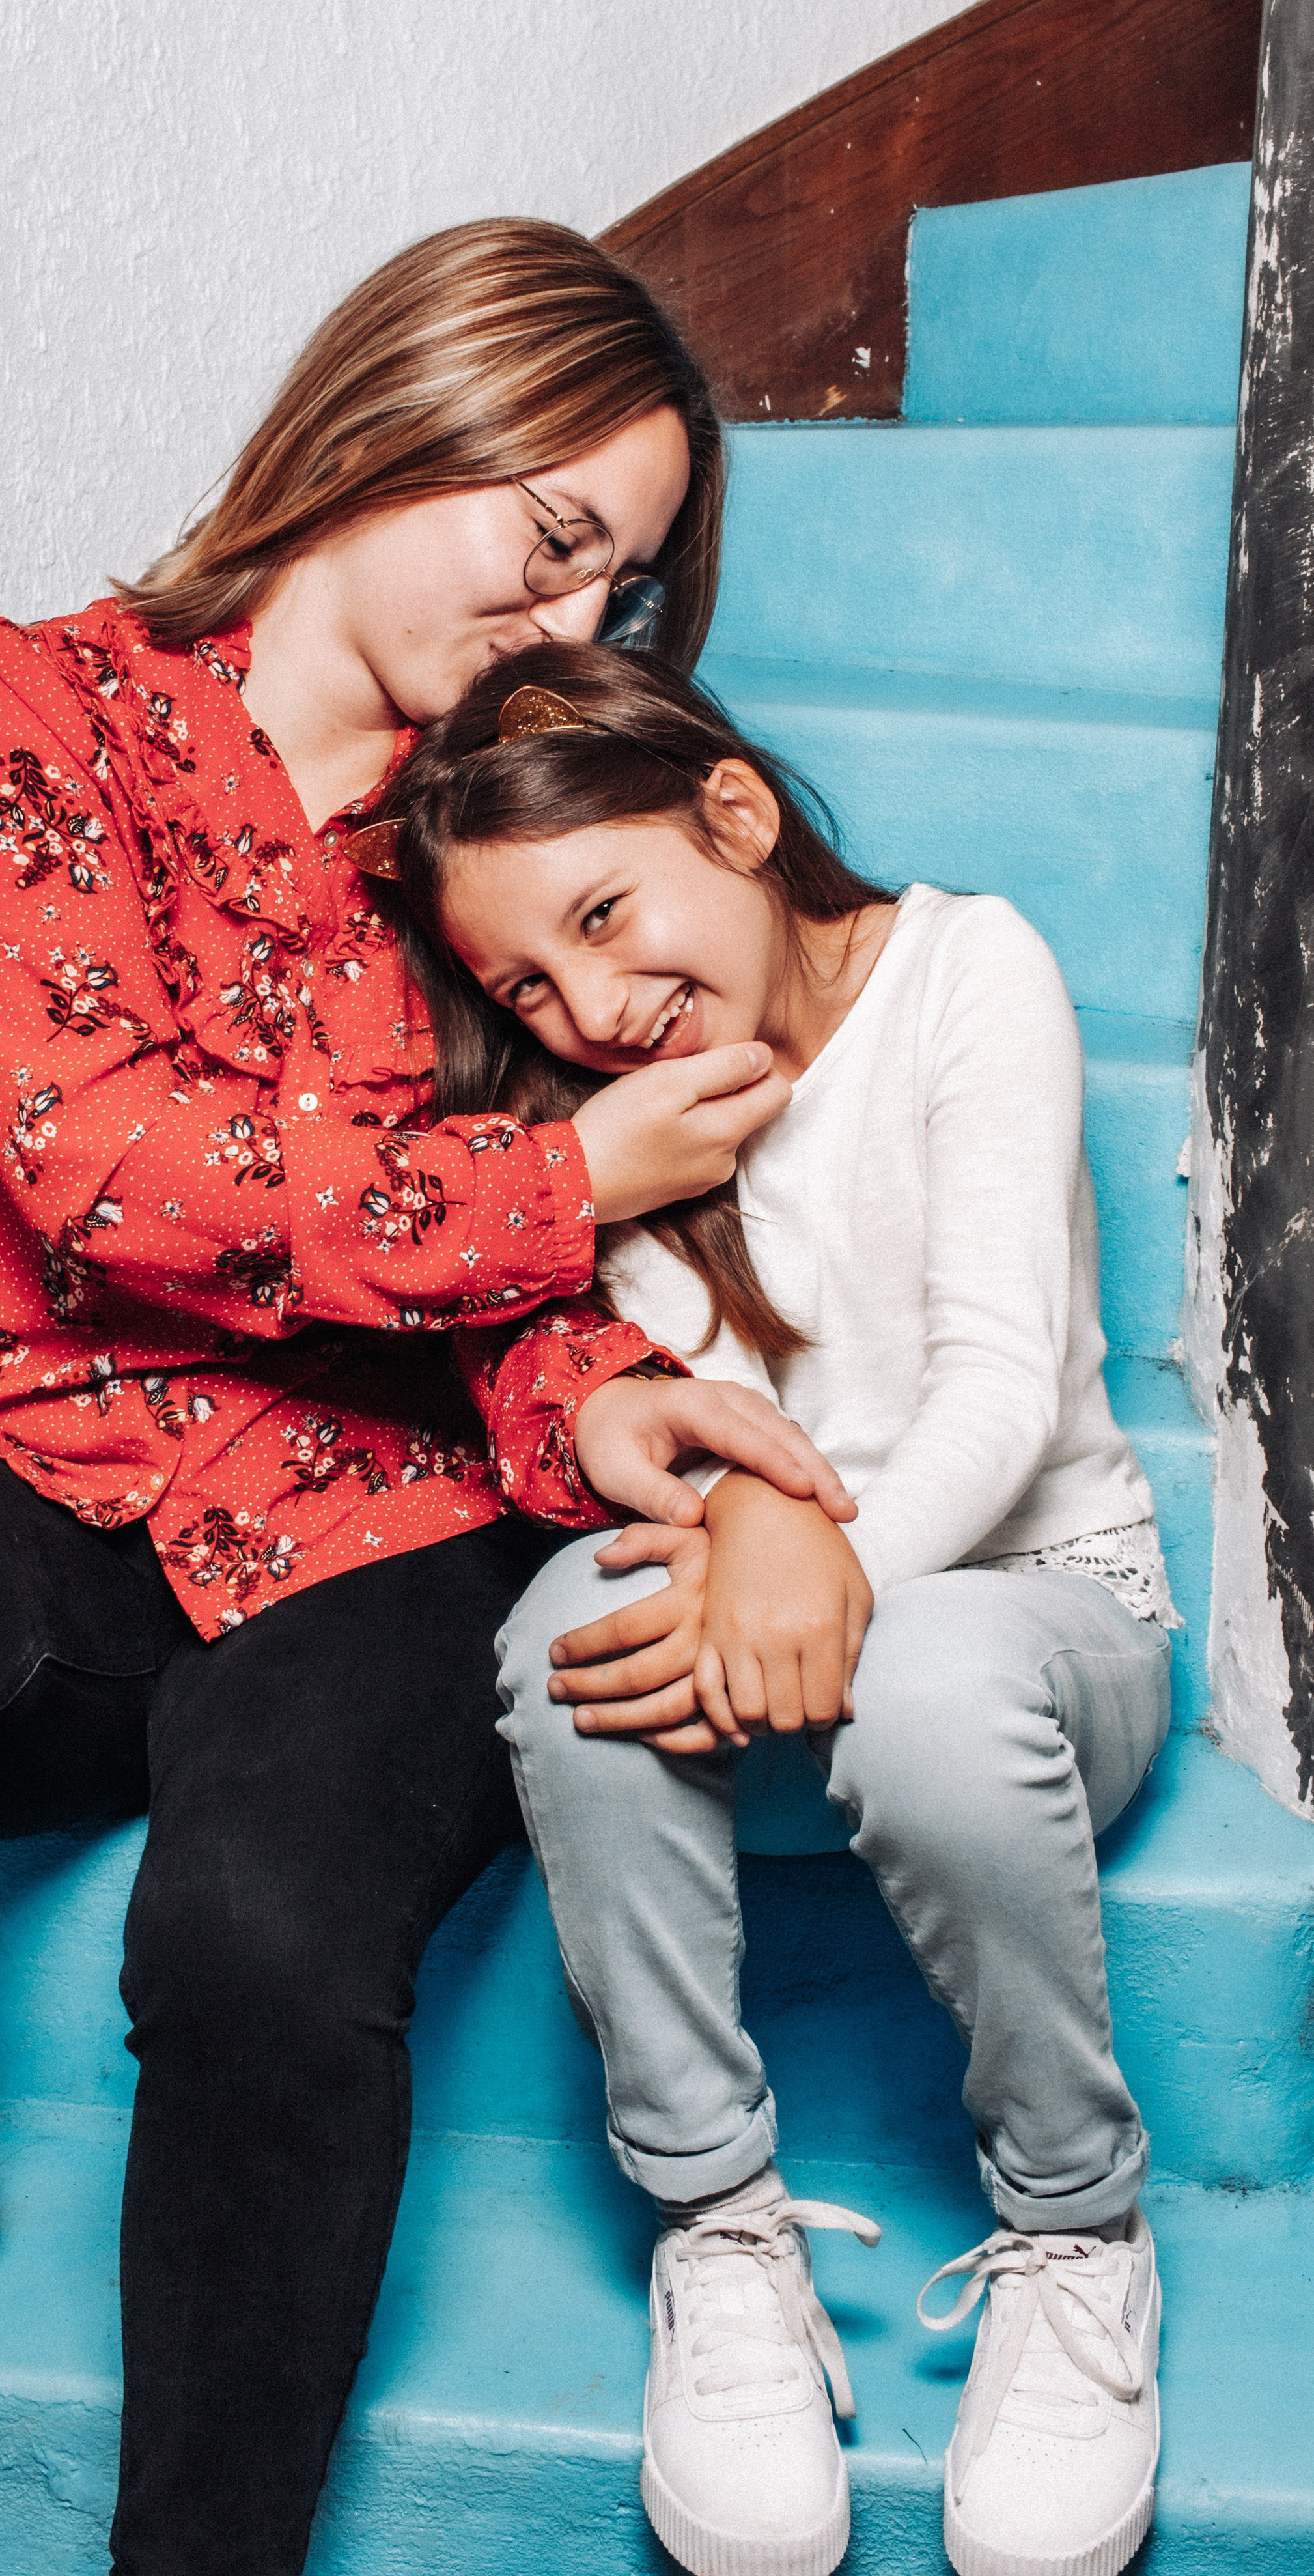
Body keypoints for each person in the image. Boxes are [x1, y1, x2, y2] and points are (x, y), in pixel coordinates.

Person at [0, 224, 861, 2573]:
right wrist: (552, 1176)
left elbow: (529, 1281)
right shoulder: (27, 703)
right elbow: (95, 1160)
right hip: (34, 1454)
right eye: (552, 540)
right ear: (415, 403)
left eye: (612, 590)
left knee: (261, 1940)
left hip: (383, 1517)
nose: (565, 620)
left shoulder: (497, 849)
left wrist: (601, 1409)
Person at [362, 638, 1178, 2576]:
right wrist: (748, 1525)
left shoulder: (968, 970)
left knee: (919, 1689)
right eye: (529, 985)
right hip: (763, 1621)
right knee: (567, 1647)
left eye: (606, 914)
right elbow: (671, 1426)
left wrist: (833, 1559)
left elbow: (998, 1386)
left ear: (734, 814)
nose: (593, 1003)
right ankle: (715, 2221)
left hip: (1028, 1608)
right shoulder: (628, 1123)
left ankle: (1079, 2222)